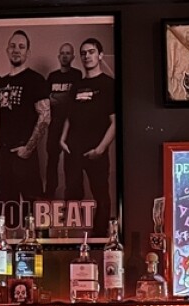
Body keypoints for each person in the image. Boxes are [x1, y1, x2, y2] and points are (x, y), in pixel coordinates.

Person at [62, 38, 117, 232]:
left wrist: (100, 149)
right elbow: (69, 116)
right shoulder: (77, 85)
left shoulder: (110, 84)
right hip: (73, 148)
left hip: (96, 149)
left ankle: (100, 240)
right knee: (72, 195)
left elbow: (115, 122)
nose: (87, 56)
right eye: (84, 53)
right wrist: (62, 139)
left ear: (100, 55)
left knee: (101, 196)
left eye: (91, 52)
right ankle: (71, 241)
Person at [0, 30, 50, 202]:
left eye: (21, 46)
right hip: (3, 153)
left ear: (28, 52)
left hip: (23, 153)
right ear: (7, 50)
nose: (16, 50)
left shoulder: (36, 80)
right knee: (6, 204)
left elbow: (45, 117)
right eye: (12, 46)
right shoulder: (2, 82)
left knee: (33, 207)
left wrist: (28, 149)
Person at [44, 43, 81, 198]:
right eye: (62, 53)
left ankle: (71, 198)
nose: (65, 56)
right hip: (55, 124)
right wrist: (62, 98)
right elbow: (46, 100)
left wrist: (57, 98)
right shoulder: (52, 76)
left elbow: (73, 99)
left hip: (72, 125)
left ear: (73, 57)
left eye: (68, 53)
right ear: (59, 57)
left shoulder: (77, 75)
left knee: (71, 162)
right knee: (51, 161)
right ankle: (49, 195)